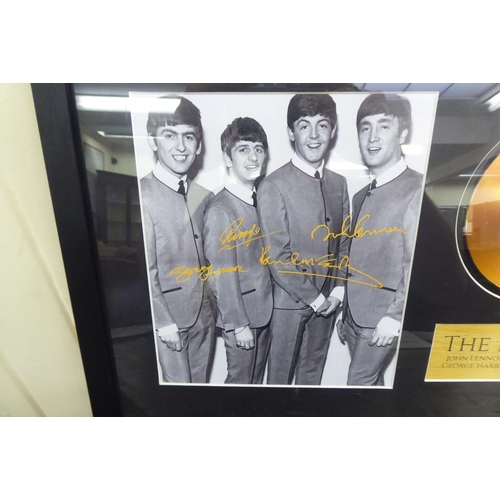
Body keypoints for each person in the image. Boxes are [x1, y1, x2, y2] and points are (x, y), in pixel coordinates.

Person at [256, 94, 350, 385]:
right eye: (304, 125)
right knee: (279, 384)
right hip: (289, 305)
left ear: (332, 132)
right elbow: (276, 256)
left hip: (328, 305)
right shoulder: (273, 184)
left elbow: (344, 243)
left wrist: (338, 291)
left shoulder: (339, 183)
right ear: (290, 132)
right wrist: (315, 298)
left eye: (322, 125)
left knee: (312, 381)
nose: (313, 135)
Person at [340, 93, 423, 386]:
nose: (372, 137)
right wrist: (345, 309)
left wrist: (395, 316)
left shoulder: (417, 188)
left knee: (357, 386)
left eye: (384, 126)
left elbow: (416, 265)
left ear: (403, 133)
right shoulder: (361, 195)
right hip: (354, 317)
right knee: (370, 388)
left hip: (384, 317)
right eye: (365, 127)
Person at [140, 95, 215, 383]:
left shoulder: (204, 196)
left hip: (204, 317)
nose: (181, 147)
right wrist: (163, 323)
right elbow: (147, 270)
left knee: (200, 394)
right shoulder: (143, 195)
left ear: (198, 144)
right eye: (170, 135)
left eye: (189, 136)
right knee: (179, 399)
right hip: (170, 319)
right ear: (152, 140)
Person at [203, 117, 273, 384]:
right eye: (243, 149)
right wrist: (238, 324)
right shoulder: (222, 209)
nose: (253, 157)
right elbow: (221, 274)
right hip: (242, 319)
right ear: (228, 158)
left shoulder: (260, 201)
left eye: (258, 148)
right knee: (240, 386)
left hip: (263, 312)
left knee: (254, 386)